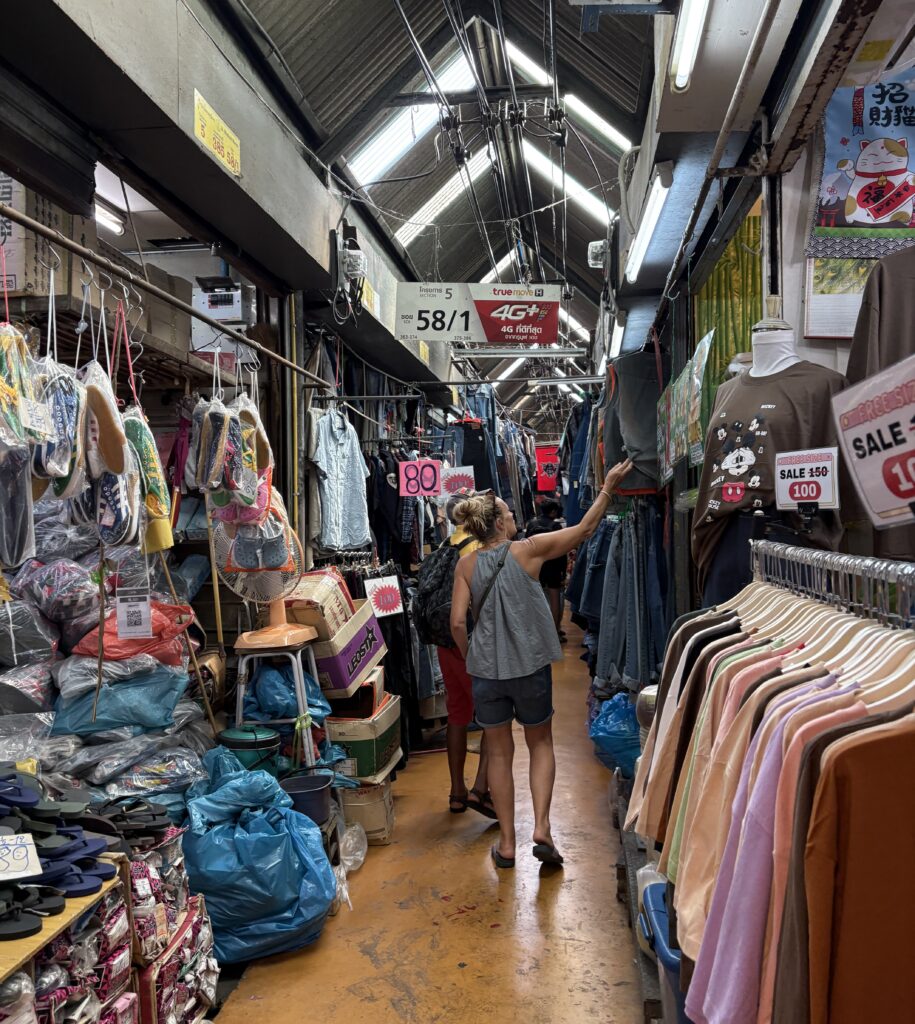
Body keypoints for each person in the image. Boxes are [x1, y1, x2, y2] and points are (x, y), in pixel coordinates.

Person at [449, 460, 633, 869]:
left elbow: (458, 622)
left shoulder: (465, 565)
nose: (515, 518)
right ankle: (543, 828)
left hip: (487, 674)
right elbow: (584, 531)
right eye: (510, 514)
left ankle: (509, 844)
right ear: (498, 523)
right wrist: (607, 487)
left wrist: (472, 656)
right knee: (541, 743)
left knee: (497, 753)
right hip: (529, 667)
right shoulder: (528, 551)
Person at [438, 493, 495, 819]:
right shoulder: (476, 551)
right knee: (493, 716)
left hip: (445, 643)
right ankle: (481, 789)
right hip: (472, 643)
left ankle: (456, 791)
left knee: (457, 716)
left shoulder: (447, 546)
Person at [525, 498, 567, 643]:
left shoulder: (531, 524)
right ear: (553, 511)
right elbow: (562, 549)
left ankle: (539, 631)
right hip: (553, 565)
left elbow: (524, 546)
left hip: (535, 565)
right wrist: (563, 570)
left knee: (536, 598)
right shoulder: (555, 526)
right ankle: (555, 632)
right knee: (555, 599)